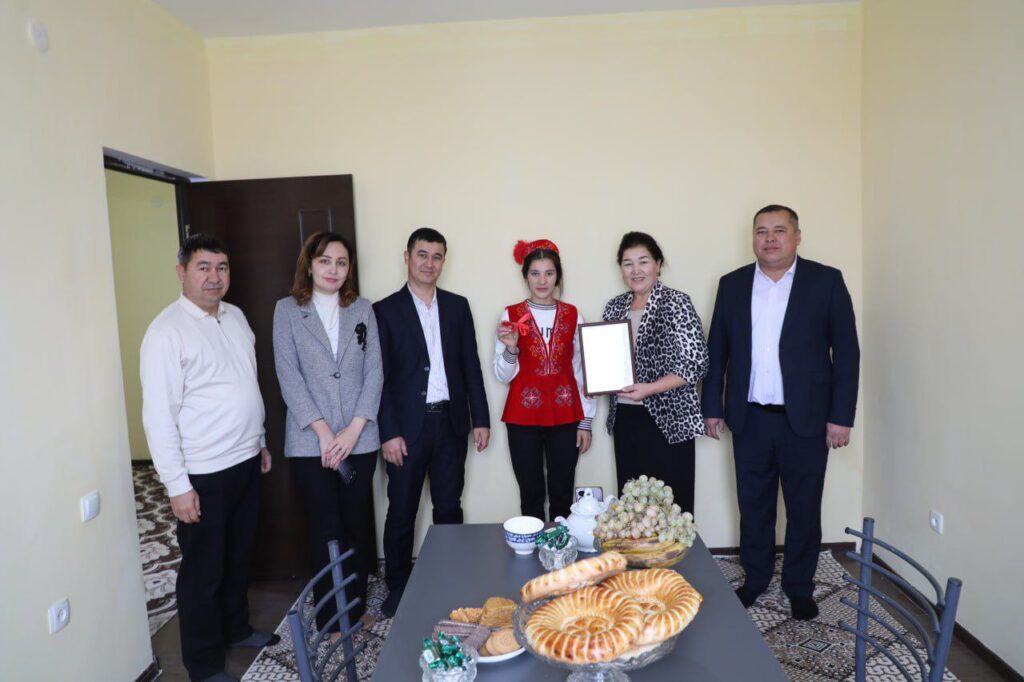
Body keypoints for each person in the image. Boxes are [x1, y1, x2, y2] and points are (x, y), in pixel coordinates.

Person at [702, 204, 860, 621]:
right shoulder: (732, 284)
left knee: (804, 508)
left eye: (779, 230)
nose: (769, 239)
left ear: (797, 236)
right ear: (752, 238)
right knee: (753, 506)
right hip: (749, 417)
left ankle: (799, 586)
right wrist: (712, 407)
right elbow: (717, 350)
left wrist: (841, 416)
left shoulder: (826, 281)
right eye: (761, 231)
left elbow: (847, 354)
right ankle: (755, 579)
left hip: (807, 420)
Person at [140, 234, 277, 682]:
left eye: (221, 267)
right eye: (203, 267)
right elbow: (159, 416)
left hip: (245, 460)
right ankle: (202, 665)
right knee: (204, 572)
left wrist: (259, 440)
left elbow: (246, 383)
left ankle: (237, 630)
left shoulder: (235, 317)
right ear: (182, 272)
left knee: (238, 558)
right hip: (202, 473)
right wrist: (177, 486)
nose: (214, 277)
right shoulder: (166, 333)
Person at [373, 227, 490, 618]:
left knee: (449, 507)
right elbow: (379, 378)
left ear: (444, 261)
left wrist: (480, 419)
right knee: (401, 511)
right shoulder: (385, 310)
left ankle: (450, 579)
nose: (429, 263)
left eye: (437, 256)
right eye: (422, 254)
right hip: (406, 430)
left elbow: (471, 365)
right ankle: (399, 587)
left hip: (450, 424)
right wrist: (388, 432)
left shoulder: (457, 306)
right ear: (407, 257)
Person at [272, 232, 382, 632]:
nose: (333, 269)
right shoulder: (287, 311)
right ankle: (330, 618)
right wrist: (322, 431)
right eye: (324, 261)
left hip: (360, 440)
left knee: (355, 526)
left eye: (341, 262)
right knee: (325, 528)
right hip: (309, 443)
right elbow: (288, 375)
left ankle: (354, 608)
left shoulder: (362, 309)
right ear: (310, 265)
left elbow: (375, 371)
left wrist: (354, 429)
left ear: (349, 269)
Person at [601, 232, 709, 514]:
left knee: (672, 506)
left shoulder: (676, 302)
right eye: (628, 263)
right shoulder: (614, 306)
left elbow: (696, 362)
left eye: (643, 261)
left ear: (658, 264)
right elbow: (606, 360)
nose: (635, 270)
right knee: (633, 506)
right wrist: (599, 381)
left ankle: (674, 547)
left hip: (669, 419)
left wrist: (649, 388)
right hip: (626, 418)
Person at [493, 239, 596, 521]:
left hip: (565, 414)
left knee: (563, 494)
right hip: (522, 417)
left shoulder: (573, 315)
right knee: (531, 495)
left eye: (549, 273)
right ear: (525, 276)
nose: (542, 281)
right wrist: (512, 349)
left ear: (557, 275)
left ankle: (561, 547)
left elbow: (583, 371)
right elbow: (501, 375)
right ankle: (533, 546)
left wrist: (586, 420)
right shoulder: (511, 314)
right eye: (535, 273)